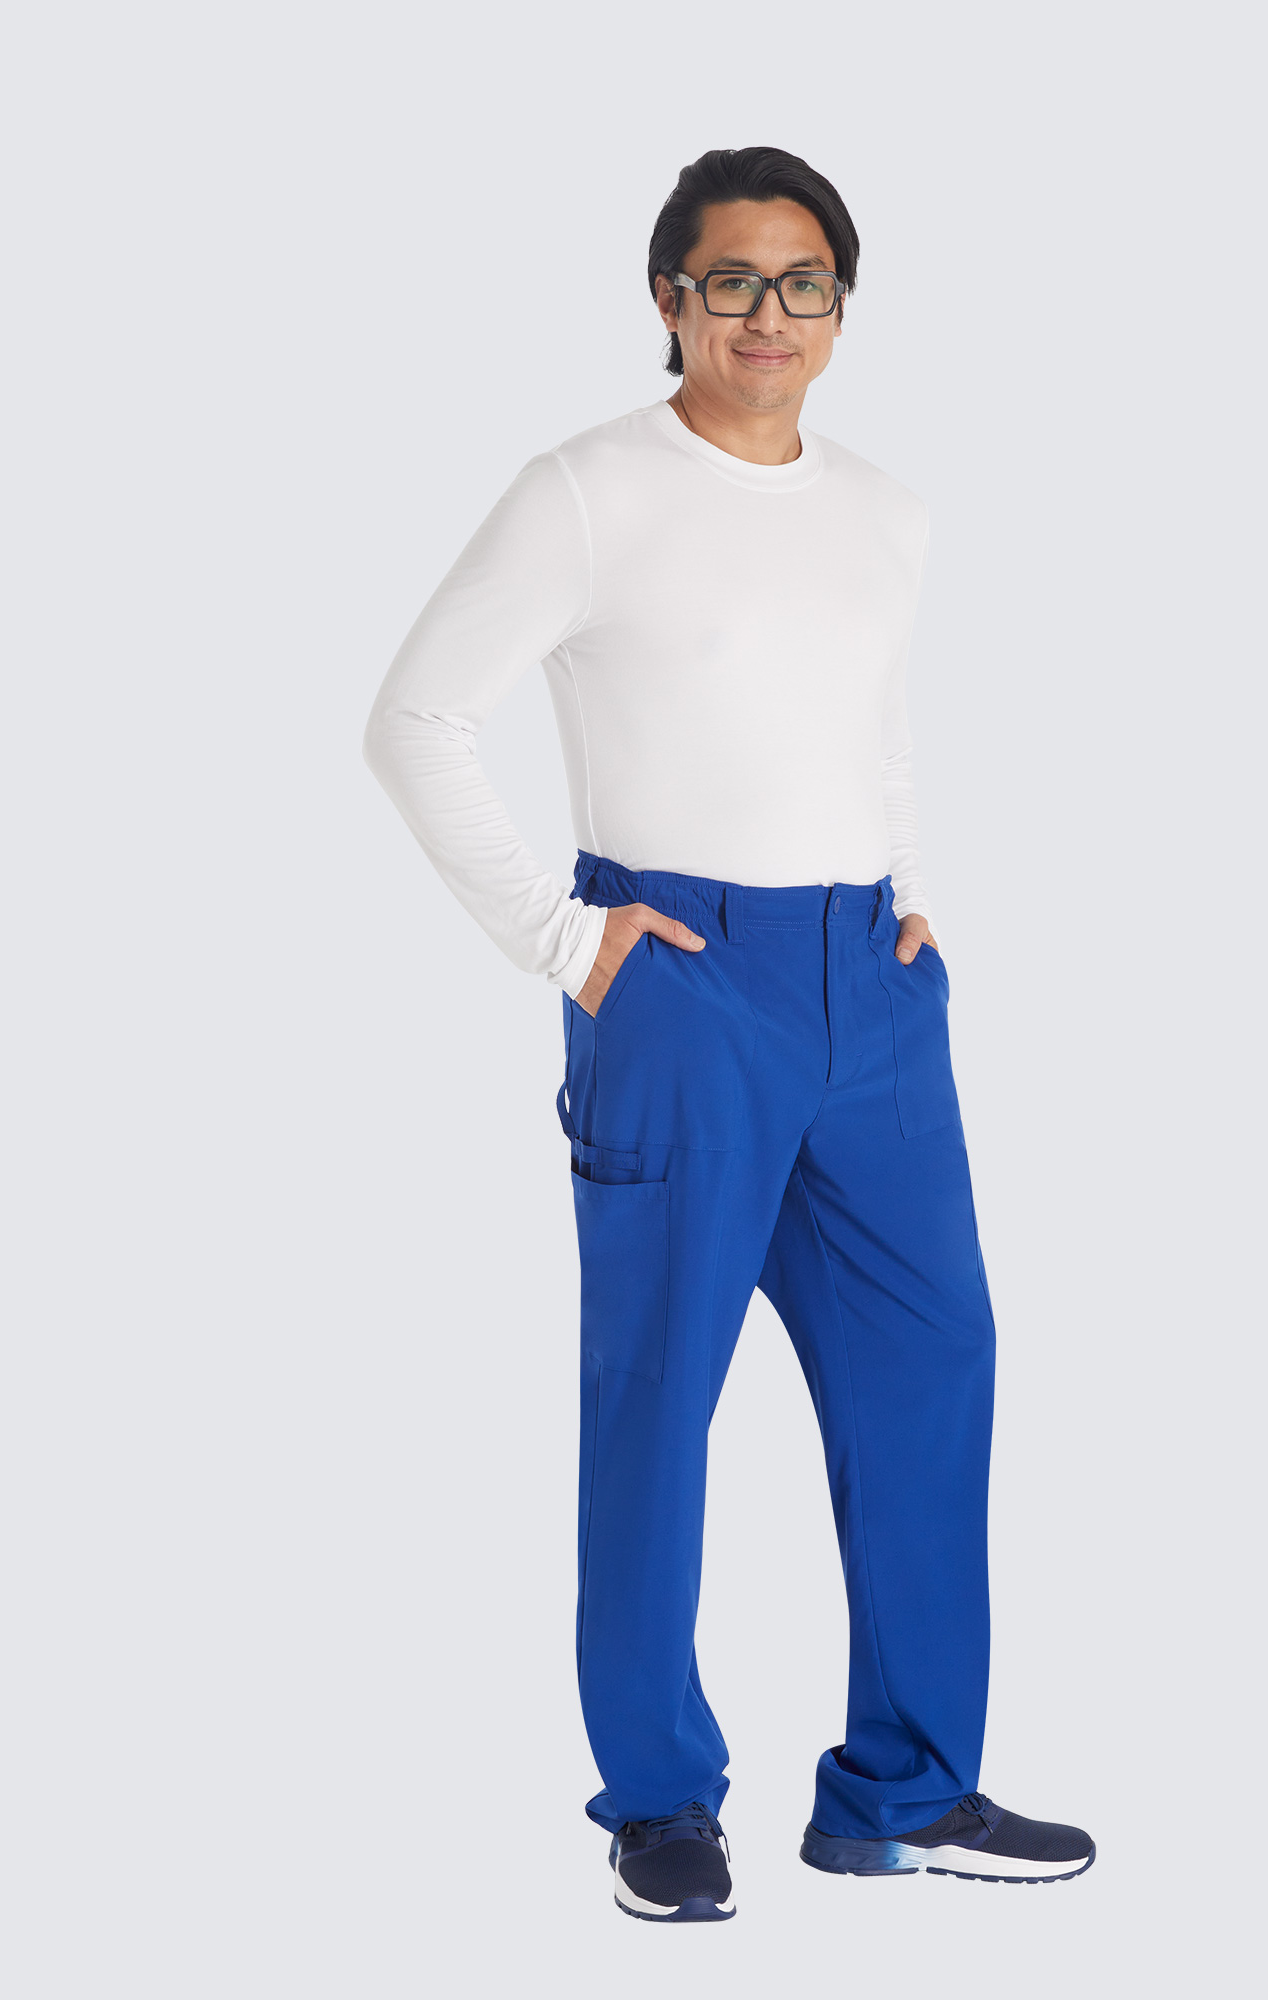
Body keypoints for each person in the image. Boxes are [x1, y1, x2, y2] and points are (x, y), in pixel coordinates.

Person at [364, 145, 1094, 1924]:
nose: (771, 314)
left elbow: (872, 726)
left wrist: (909, 896)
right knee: (658, 1392)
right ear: (669, 298)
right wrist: (567, 942)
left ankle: (904, 1790)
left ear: (843, 304)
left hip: (872, 990)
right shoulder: (586, 491)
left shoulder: (887, 511)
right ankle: (658, 1801)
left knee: (936, 1368)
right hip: (679, 977)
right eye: (732, 280)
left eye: (804, 281)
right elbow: (414, 721)